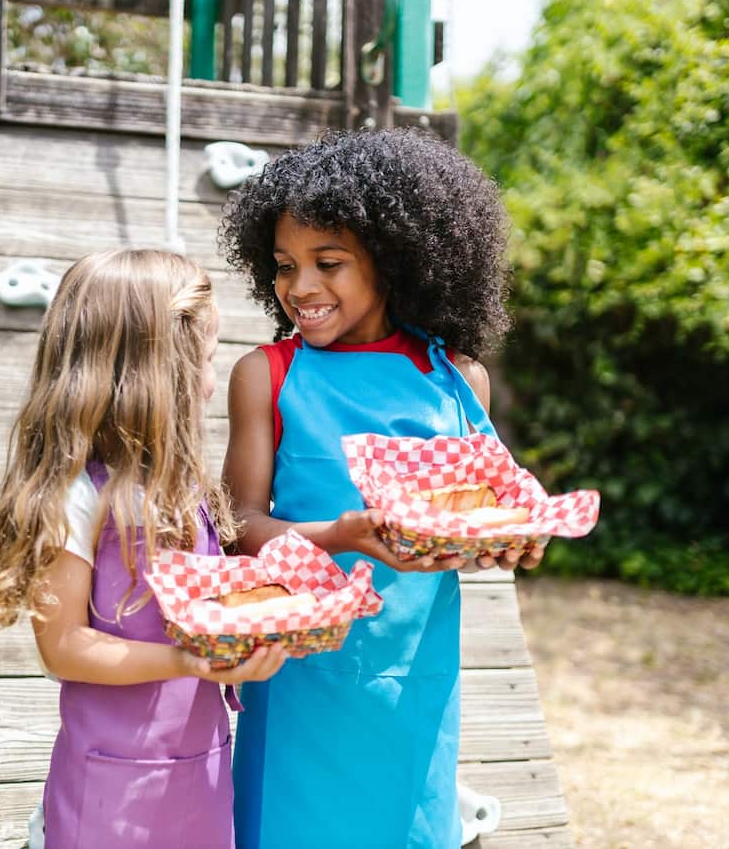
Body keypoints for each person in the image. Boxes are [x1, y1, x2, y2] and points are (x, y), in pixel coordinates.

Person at [219, 129, 543, 848]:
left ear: (394, 260)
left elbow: (486, 510)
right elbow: (237, 523)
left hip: (414, 679)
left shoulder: (458, 380)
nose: (300, 287)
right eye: (283, 266)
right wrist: (338, 535)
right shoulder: (266, 374)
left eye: (327, 262)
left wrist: (514, 535)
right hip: (300, 675)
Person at [0, 249, 288, 849]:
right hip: (112, 796)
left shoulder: (185, 487)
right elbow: (63, 646)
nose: (213, 383)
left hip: (201, 771)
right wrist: (189, 662)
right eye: (206, 361)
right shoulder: (77, 494)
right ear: (155, 369)